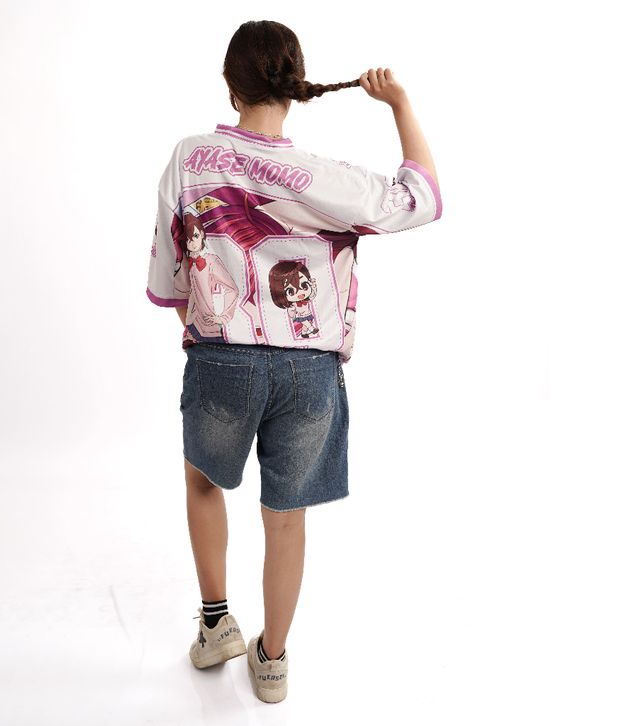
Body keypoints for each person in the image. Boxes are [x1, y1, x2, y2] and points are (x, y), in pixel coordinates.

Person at [145, 20, 442, 703]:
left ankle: (216, 625)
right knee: (286, 514)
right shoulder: (325, 179)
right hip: (309, 374)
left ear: (231, 85)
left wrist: (200, 325)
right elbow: (422, 199)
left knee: (202, 482)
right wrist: (399, 104)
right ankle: (272, 660)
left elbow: (169, 276)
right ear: (295, 88)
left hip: (220, 360)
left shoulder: (191, 159)